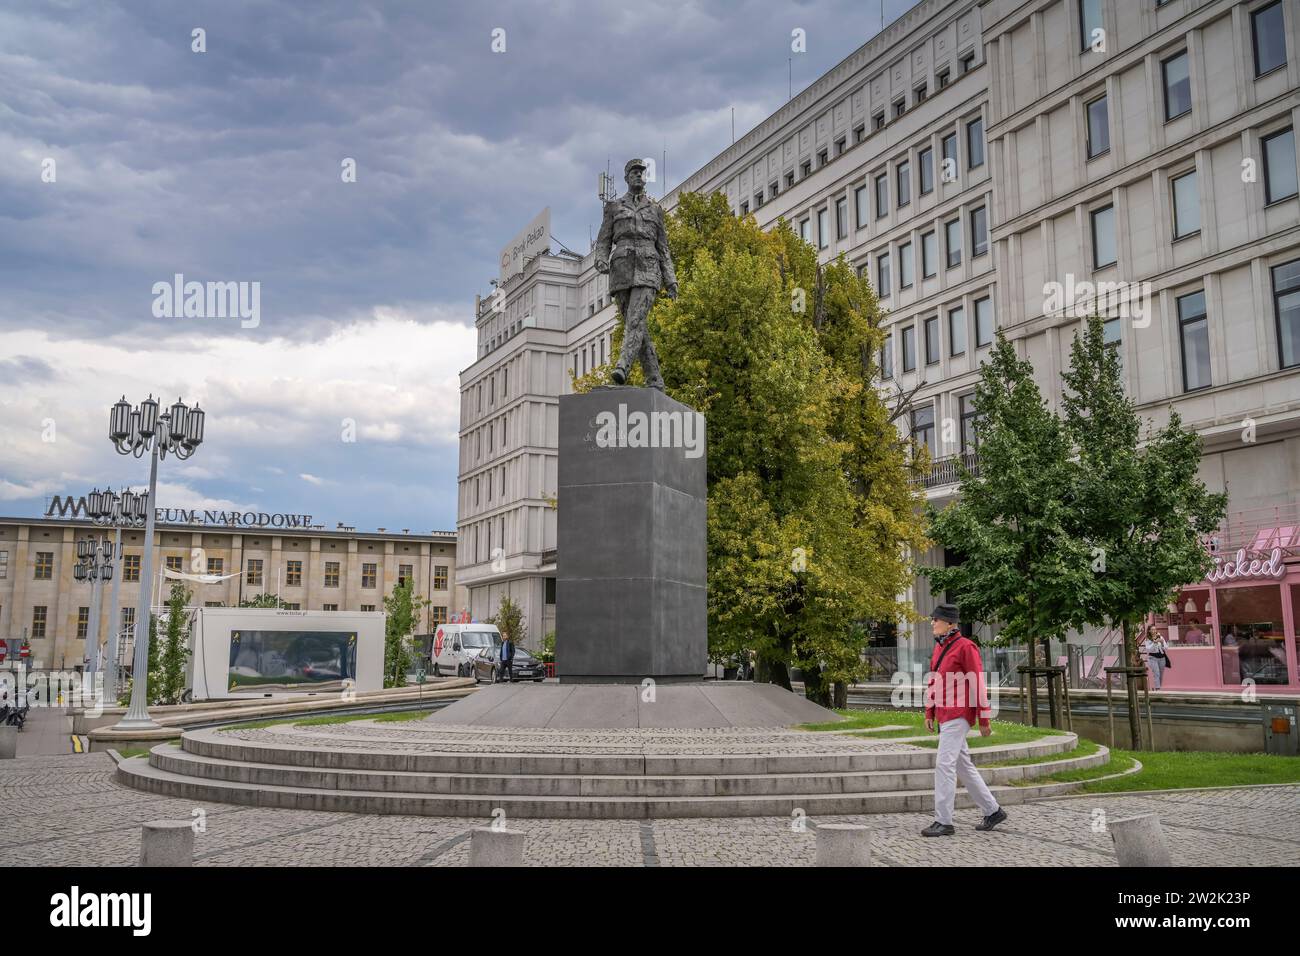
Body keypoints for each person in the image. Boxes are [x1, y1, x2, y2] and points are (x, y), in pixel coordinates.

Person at [922, 604, 1006, 837]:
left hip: (959, 713)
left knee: (944, 764)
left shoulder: (966, 647)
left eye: (936, 619)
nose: (932, 623)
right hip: (945, 713)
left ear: (950, 623)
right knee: (962, 765)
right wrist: (930, 711)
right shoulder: (939, 648)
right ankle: (993, 810)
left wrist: (984, 718)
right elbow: (934, 681)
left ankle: (944, 821)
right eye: (932, 619)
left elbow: (978, 683)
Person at [594, 158, 678, 390]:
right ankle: (655, 378)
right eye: (634, 172)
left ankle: (622, 366)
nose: (639, 176)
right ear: (627, 178)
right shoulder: (613, 207)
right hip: (621, 272)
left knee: (636, 319)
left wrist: (670, 279)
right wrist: (600, 259)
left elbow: (663, 247)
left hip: (648, 270)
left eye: (642, 172)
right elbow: (603, 241)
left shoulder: (655, 210)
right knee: (638, 326)